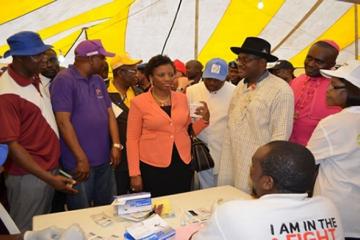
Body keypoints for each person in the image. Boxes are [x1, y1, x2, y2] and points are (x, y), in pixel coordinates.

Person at [0, 31, 77, 231]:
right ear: (18, 58)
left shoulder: (36, 79)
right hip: (29, 176)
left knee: (43, 226)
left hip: (47, 169)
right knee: (27, 229)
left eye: (43, 53)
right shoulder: (6, 93)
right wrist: (48, 178)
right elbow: (12, 146)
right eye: (37, 56)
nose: (43, 59)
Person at [194, 141, 344, 240]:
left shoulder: (231, 212)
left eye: (253, 165)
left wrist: (217, 218)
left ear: (267, 182)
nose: (250, 170)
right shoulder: (327, 207)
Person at [217, 37, 294, 194]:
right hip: (231, 159)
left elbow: (280, 137)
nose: (240, 63)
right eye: (239, 58)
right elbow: (231, 123)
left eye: (246, 59)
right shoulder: (240, 85)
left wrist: (266, 172)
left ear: (263, 62)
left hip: (257, 167)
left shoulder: (281, 90)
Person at [51, 39, 121, 210]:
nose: (105, 62)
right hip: (79, 163)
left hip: (104, 160)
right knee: (81, 213)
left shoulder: (97, 80)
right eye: (102, 58)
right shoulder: (64, 80)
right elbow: (62, 121)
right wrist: (80, 158)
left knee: (107, 210)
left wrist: (116, 144)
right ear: (90, 59)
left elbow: (109, 113)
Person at [127, 55, 210, 197]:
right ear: (151, 77)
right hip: (152, 165)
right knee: (158, 208)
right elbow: (132, 140)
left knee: (181, 204)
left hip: (182, 163)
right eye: (161, 75)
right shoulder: (138, 102)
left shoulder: (182, 98)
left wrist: (204, 121)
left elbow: (186, 131)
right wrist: (134, 173)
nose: (167, 79)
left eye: (171, 74)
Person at [307, 60, 360, 239]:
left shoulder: (332, 124)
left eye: (334, 86)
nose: (327, 89)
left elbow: (307, 161)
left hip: (335, 212)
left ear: (350, 91)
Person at [186, 58, 235, 188]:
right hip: (200, 151)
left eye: (217, 80)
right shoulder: (192, 90)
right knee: (202, 191)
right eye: (208, 79)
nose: (212, 83)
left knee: (223, 189)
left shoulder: (235, 92)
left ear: (226, 78)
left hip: (224, 152)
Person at [290, 40, 341, 146]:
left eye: (318, 61)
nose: (310, 64)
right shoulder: (296, 81)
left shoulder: (337, 89)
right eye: (309, 58)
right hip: (287, 145)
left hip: (318, 151)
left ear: (332, 64)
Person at [108, 53, 143, 195]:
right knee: (119, 196)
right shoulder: (104, 94)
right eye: (133, 70)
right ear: (120, 72)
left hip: (139, 156)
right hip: (117, 158)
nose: (138, 74)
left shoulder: (139, 93)